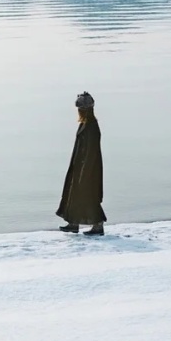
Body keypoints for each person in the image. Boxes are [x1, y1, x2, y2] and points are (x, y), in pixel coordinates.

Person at [56, 91, 106, 236]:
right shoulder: (85, 124)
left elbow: (91, 151)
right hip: (80, 166)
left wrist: (85, 171)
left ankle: (98, 225)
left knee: (89, 195)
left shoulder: (91, 126)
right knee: (74, 194)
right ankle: (73, 223)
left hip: (88, 168)